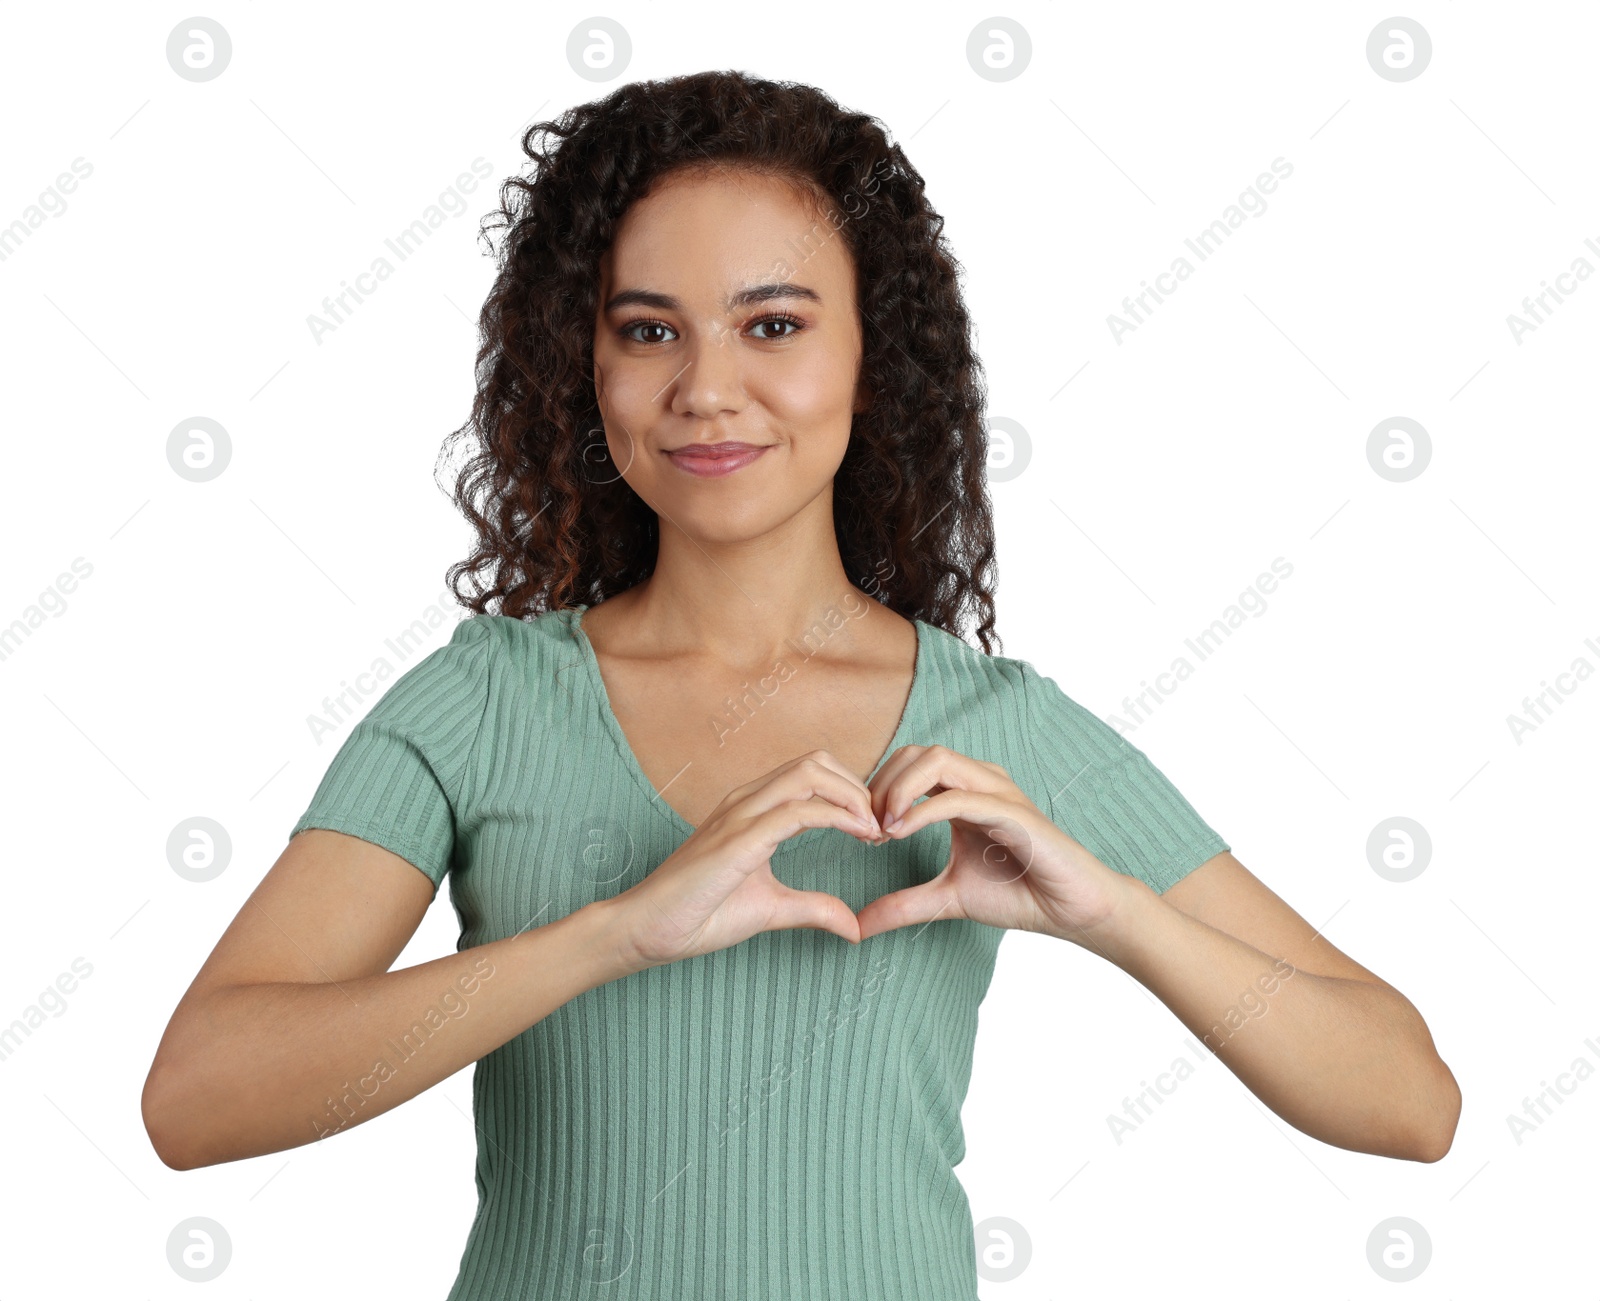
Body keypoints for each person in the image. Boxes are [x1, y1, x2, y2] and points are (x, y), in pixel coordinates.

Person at [140, 69, 1461, 1300]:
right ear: (583, 366)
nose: (707, 388)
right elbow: (197, 1097)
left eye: (772, 323)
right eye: (648, 329)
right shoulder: (478, 705)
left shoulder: (996, 733)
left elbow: (1411, 1099)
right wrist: (613, 931)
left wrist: (1116, 912)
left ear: (871, 358)